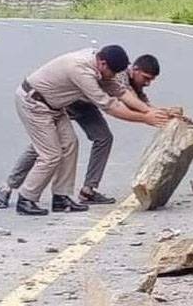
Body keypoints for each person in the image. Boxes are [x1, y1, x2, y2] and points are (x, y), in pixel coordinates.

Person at [10, 46, 169, 216]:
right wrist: (145, 118)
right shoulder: (80, 70)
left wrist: (151, 112)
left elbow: (120, 92)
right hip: (34, 103)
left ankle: (61, 197)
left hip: (55, 106)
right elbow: (110, 106)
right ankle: (26, 198)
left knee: (71, 144)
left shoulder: (101, 66)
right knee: (51, 154)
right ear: (102, 63)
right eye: (113, 72)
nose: (114, 76)